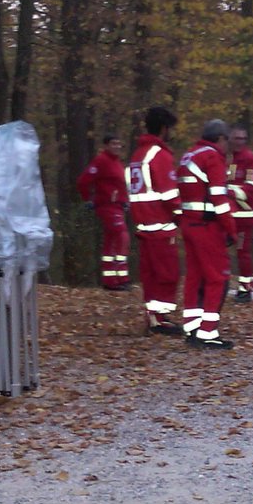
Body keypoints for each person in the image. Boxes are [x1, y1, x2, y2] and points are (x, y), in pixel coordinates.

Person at [177, 119, 236, 348]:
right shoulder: (212, 158)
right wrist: (230, 229)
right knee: (218, 278)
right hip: (206, 227)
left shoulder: (189, 155)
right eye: (227, 140)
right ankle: (208, 333)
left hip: (189, 224)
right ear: (220, 138)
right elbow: (219, 200)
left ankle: (192, 327)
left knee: (194, 277)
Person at [127, 107, 184, 335]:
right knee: (167, 274)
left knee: (150, 275)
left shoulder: (137, 155)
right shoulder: (159, 155)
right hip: (160, 225)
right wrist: (183, 215)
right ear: (164, 128)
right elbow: (169, 193)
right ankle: (160, 318)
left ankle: (153, 316)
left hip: (143, 225)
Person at [76, 136, 130, 291]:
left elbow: (120, 185)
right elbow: (83, 181)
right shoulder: (101, 161)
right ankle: (120, 277)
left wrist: (124, 200)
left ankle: (112, 280)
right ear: (106, 145)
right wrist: (89, 199)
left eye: (119, 143)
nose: (117, 146)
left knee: (111, 240)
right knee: (121, 236)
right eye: (113, 143)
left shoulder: (117, 163)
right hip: (107, 206)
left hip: (118, 206)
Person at [227, 126, 253, 301]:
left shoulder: (250, 159)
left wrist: (230, 192)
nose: (239, 142)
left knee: (243, 251)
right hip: (226, 214)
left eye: (243, 139)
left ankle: (245, 288)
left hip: (245, 215)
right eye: (236, 138)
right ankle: (222, 282)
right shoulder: (225, 158)